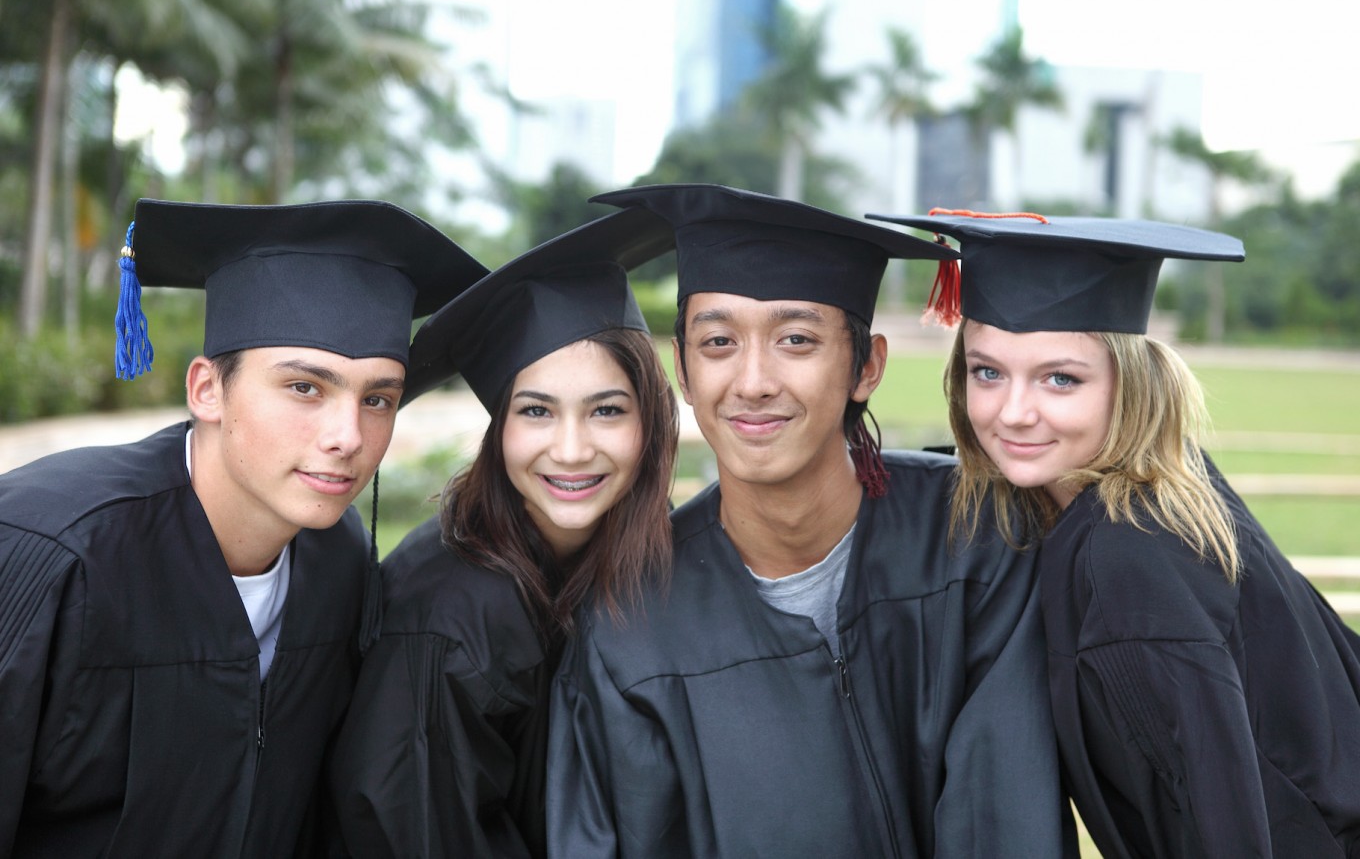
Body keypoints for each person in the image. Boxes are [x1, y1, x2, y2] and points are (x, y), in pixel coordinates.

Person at [547, 184, 1076, 858]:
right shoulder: (632, 623)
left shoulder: (977, 543)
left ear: (866, 366)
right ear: (681, 368)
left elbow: (1004, 820)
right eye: (717, 341)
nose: (754, 380)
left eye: (796, 339)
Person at [0, 199, 485, 857]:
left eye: (378, 398)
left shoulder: (340, 565)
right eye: (306, 388)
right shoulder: (47, 550)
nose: (348, 437)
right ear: (207, 389)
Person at [872, 208, 1360, 857]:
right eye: (987, 371)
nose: (1012, 412)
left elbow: (1220, 825)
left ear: (1127, 383)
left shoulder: (1127, 561)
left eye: (1061, 378)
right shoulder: (1172, 487)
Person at [328, 207, 680, 858]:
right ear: (501, 430)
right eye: (536, 411)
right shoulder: (453, 618)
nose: (571, 449)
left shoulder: (624, 559)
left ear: (650, 420)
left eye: (606, 409)